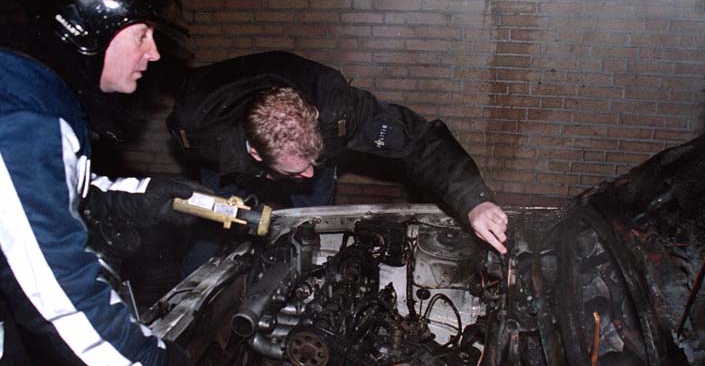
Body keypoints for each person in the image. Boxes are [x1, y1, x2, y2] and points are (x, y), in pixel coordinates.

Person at [0, 0, 201, 366]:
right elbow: (60, 289)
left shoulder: (32, 89)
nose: (153, 54)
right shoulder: (24, 120)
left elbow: (46, 196)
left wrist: (139, 196)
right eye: (142, 34)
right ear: (88, 31)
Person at [167, 51, 509, 256]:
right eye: (295, 171)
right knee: (211, 242)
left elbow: (420, 140)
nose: (309, 175)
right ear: (257, 154)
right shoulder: (198, 130)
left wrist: (473, 201)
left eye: (312, 161)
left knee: (316, 234)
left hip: (305, 118)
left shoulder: (339, 111)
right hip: (223, 151)